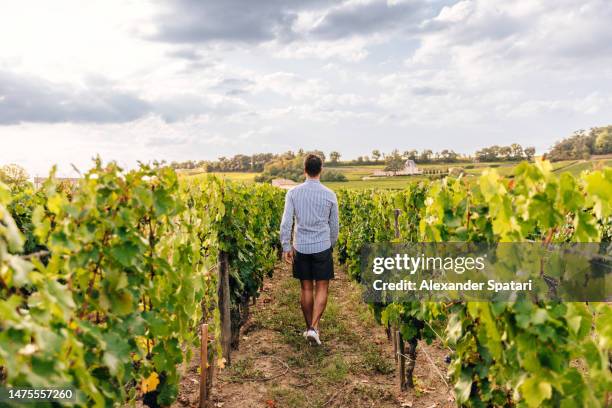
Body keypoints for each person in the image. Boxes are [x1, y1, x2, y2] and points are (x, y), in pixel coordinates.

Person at [280, 154, 339, 346]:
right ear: (320, 170)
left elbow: (286, 222)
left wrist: (286, 246)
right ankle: (314, 328)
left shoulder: (293, 193)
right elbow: (334, 225)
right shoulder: (329, 194)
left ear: (304, 170)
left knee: (306, 287)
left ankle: (310, 329)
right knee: (322, 287)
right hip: (322, 245)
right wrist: (330, 244)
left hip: (301, 246)